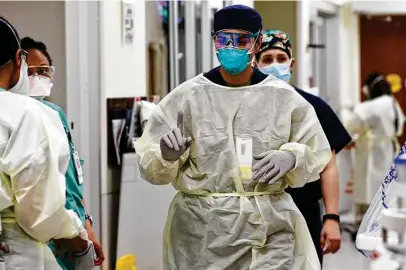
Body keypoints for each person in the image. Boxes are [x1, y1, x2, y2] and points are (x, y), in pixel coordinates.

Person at [135, 5, 331, 269]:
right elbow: (151, 165)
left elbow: (316, 152)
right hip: (202, 231)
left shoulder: (284, 98)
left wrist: (292, 156)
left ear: (257, 42)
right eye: (224, 39)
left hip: (268, 226)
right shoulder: (186, 97)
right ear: (214, 40)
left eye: (242, 40)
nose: (232, 47)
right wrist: (165, 157)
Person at [254, 29, 353, 263]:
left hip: (304, 210)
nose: (275, 64)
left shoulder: (313, 107)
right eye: (267, 59)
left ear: (291, 63)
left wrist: (332, 218)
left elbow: (328, 166)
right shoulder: (246, 109)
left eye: (281, 58)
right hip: (256, 214)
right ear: (256, 64)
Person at [0, 16, 88, 269]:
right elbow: (38, 211)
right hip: (15, 250)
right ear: (19, 60)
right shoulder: (25, 113)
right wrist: (75, 234)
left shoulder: (49, 113)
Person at [20, 37, 105, 269]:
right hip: (46, 238)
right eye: (31, 71)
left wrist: (87, 226)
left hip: (75, 232)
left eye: (44, 70)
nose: (38, 76)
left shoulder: (55, 113)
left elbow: (73, 179)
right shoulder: (17, 118)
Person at [346, 72, 404, 219]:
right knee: (387, 187)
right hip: (390, 149)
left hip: (372, 153)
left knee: (371, 189)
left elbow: (352, 126)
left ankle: (368, 223)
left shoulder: (370, 106)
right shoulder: (392, 102)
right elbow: (399, 126)